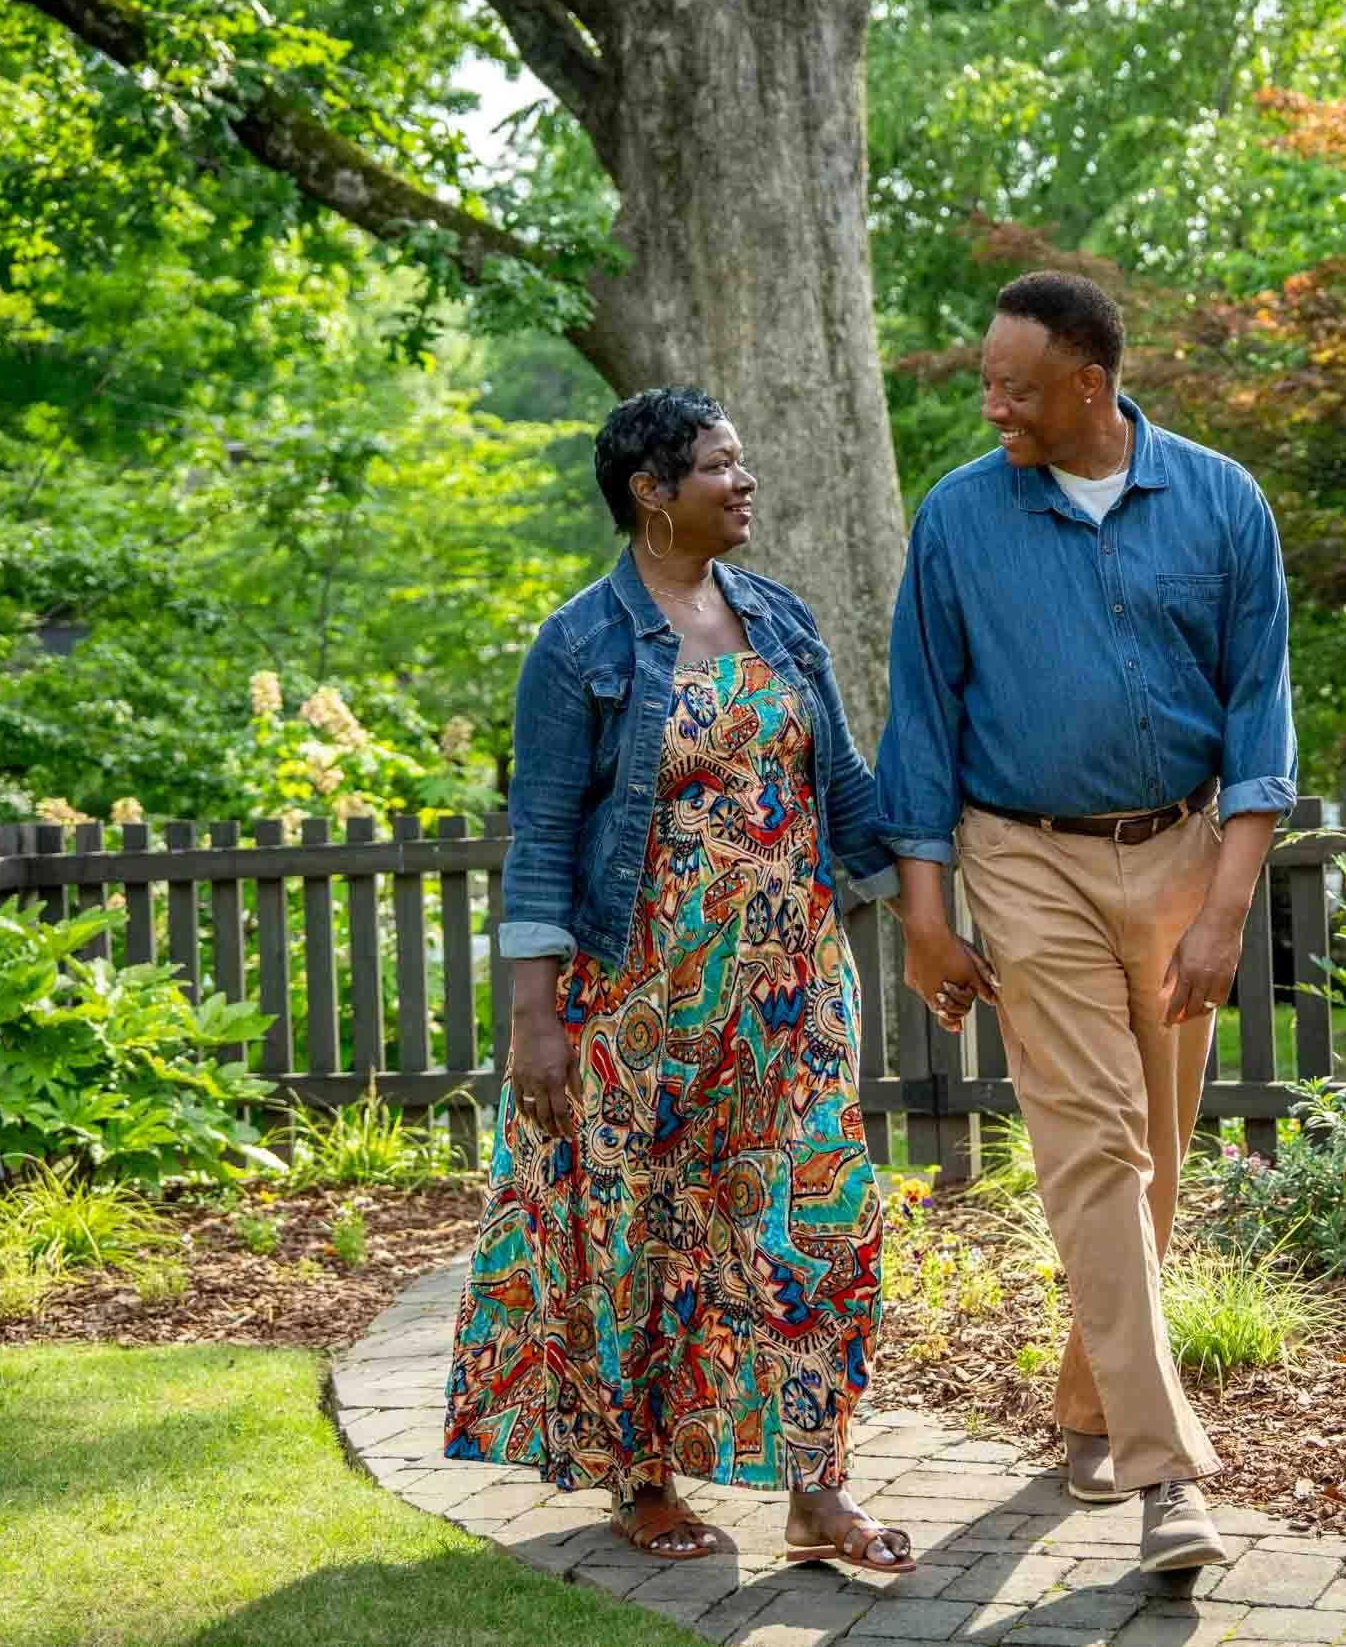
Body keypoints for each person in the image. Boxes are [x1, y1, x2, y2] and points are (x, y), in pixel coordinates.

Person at [445, 385, 992, 1570]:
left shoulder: (781, 621)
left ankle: (816, 1488)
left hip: (791, 994)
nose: (744, 483)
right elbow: (540, 834)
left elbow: (844, 790)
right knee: (640, 1235)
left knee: (819, 1224)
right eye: (719, 467)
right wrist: (533, 1022)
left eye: (740, 466)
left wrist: (925, 920)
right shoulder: (581, 643)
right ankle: (641, 1478)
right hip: (637, 1008)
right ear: (650, 491)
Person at [879, 271, 1298, 1574]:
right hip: (1024, 856)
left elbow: (1260, 722)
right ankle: (1170, 1475)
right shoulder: (958, 519)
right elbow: (922, 724)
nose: (992, 403)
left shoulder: (1223, 502)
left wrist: (1228, 908)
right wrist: (928, 916)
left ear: (1091, 385)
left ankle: (1087, 1404)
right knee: (1097, 1150)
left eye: (1014, 385)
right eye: (987, 382)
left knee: (1156, 1160)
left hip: (1178, 851)